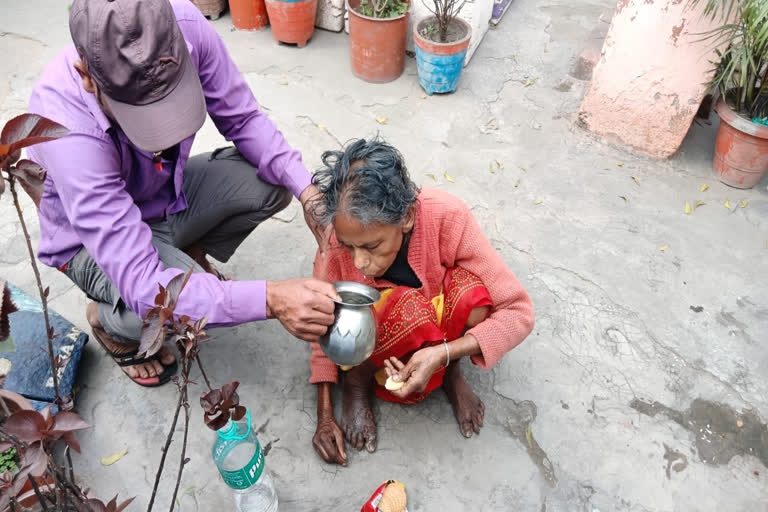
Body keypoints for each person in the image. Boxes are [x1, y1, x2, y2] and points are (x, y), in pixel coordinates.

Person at [26, 0, 338, 387]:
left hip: (162, 197)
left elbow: (243, 118)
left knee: (274, 182)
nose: (161, 139)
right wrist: (271, 298)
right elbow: (145, 287)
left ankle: (185, 257)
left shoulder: (187, 25)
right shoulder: (67, 129)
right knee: (165, 310)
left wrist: (310, 194)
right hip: (89, 243)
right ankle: (109, 322)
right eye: (140, 116)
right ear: (87, 76)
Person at [308, 138, 535, 466]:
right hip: (374, 346)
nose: (358, 263)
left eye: (371, 247)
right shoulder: (337, 241)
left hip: (435, 331)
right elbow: (320, 324)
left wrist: (444, 353)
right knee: (383, 307)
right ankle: (358, 383)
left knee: (474, 297)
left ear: (408, 217)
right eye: (349, 246)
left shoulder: (447, 216)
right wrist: (325, 413)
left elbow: (518, 311)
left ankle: (451, 374)